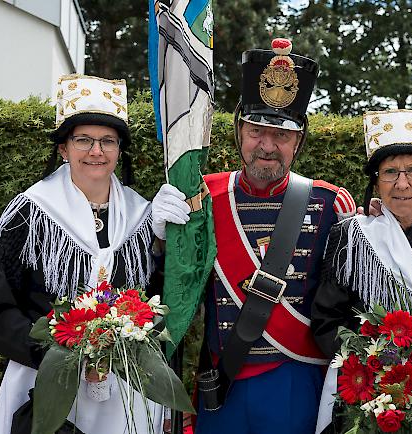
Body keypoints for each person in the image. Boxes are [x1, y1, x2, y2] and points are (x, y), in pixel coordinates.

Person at [151, 38, 356, 434]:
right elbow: (168, 288)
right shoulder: (203, 196)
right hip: (223, 386)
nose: (267, 145)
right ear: (239, 131)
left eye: (281, 135)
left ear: (298, 141)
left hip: (299, 382)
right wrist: (158, 240)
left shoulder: (332, 204)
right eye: (256, 130)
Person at [0, 74, 165, 433]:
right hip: (43, 383)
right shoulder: (31, 214)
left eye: (107, 141)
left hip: (123, 392)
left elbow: (158, 300)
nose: (96, 151)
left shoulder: (144, 217)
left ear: (119, 151)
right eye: (83, 140)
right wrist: (57, 354)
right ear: (63, 148)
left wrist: (164, 246)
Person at [310, 109, 412, 434]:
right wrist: (374, 364)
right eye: (390, 171)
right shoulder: (353, 237)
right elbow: (326, 320)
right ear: (376, 181)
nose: (402, 183)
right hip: (372, 398)